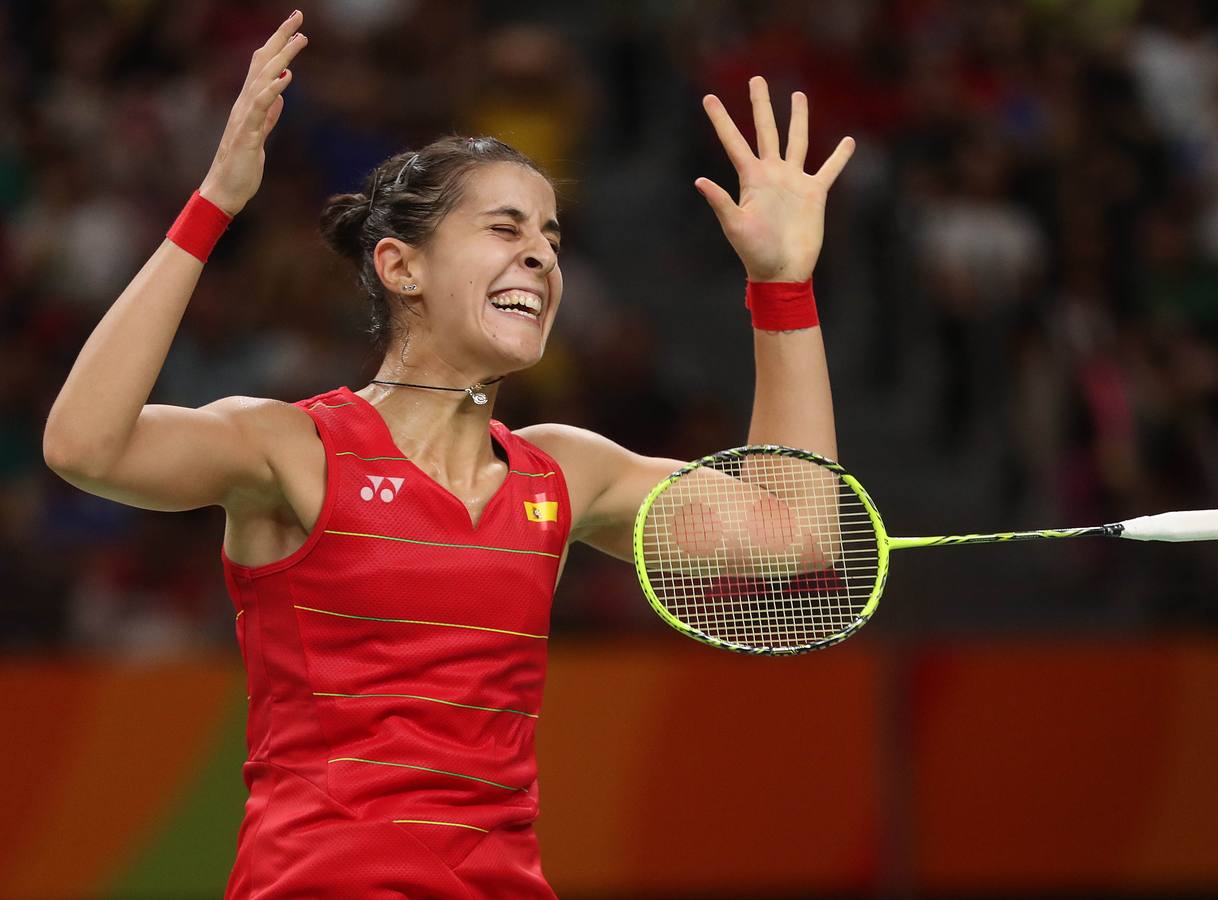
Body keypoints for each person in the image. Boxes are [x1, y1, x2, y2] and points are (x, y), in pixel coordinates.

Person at [42, 10, 855, 899]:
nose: (541, 257)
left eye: (551, 237)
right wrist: (215, 206)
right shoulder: (294, 449)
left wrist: (781, 285)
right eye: (505, 230)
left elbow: (801, 534)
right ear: (401, 267)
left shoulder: (563, 472)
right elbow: (86, 445)